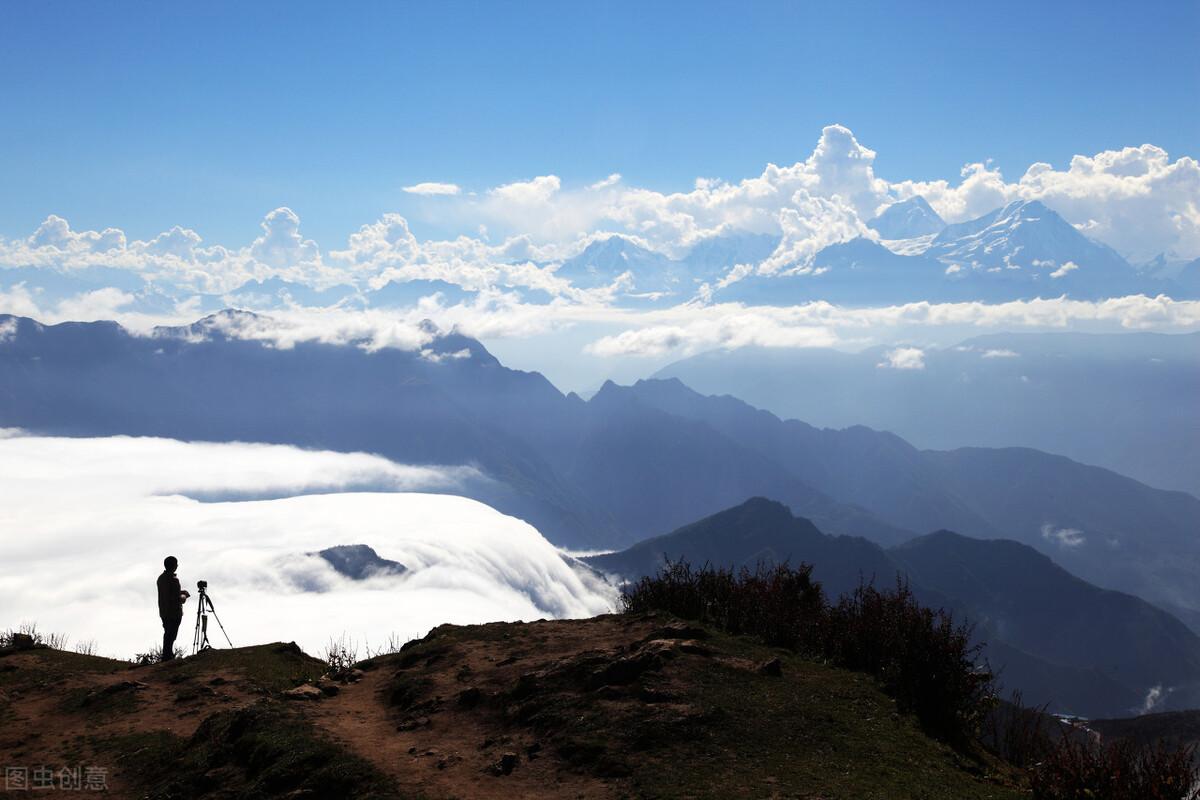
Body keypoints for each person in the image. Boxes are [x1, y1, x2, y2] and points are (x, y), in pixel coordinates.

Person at [157, 556, 190, 661]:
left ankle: (167, 655)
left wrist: (180, 592)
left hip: (164, 611)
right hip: (174, 613)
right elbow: (177, 598)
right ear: (174, 566)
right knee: (171, 635)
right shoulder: (173, 580)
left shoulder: (161, 578)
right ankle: (167, 656)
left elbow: (167, 593)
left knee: (168, 633)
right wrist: (184, 596)